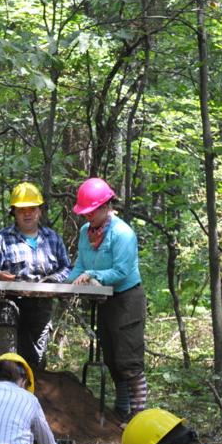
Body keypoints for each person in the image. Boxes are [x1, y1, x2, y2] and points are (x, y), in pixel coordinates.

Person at [66, 177, 147, 420]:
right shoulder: (85, 232)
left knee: (128, 359)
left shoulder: (122, 233)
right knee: (111, 357)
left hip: (127, 299)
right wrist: (66, 283)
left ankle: (138, 415)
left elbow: (122, 271)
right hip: (104, 300)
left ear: (105, 206)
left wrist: (94, 274)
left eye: (92, 211)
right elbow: (81, 265)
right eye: (85, 212)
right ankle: (121, 410)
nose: (88, 216)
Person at [0, 182, 72, 370]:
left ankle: (33, 380)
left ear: (39, 211)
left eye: (32, 209)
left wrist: (53, 280)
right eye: (21, 210)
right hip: (7, 300)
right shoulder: (2, 238)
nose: (27, 214)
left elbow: (67, 268)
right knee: (11, 359)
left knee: (35, 363)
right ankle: (8, 372)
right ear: (14, 213)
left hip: (40, 303)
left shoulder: (52, 238)